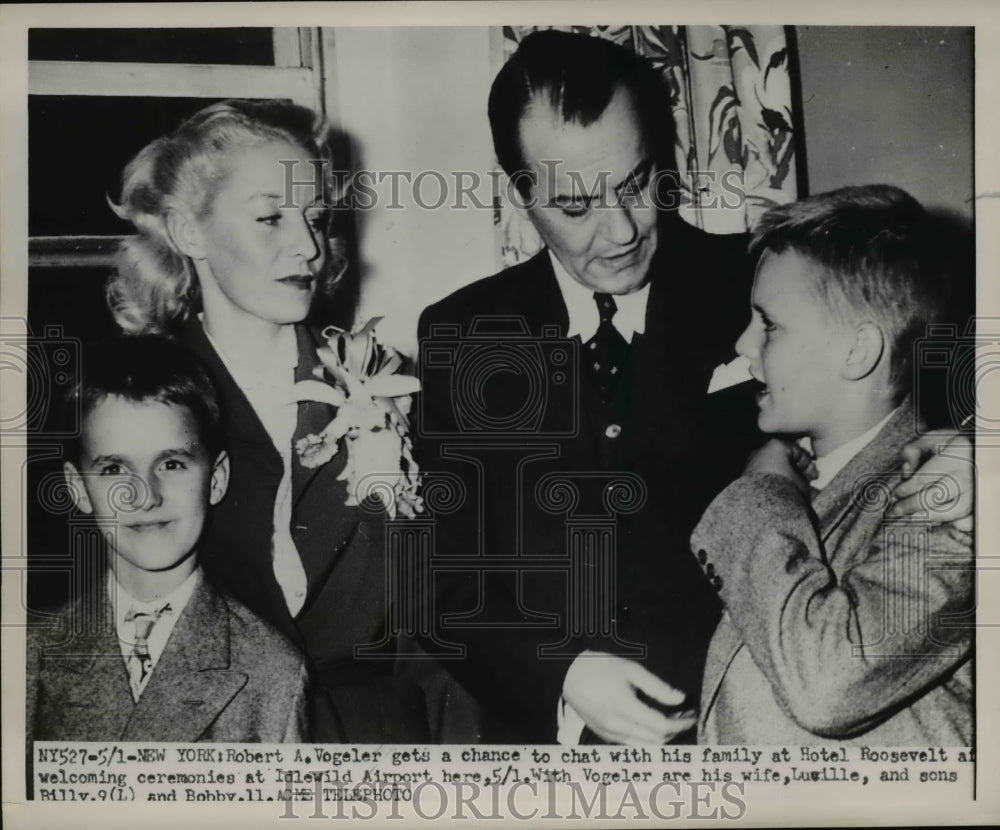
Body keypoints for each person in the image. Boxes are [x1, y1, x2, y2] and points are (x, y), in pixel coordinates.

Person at [416, 30, 974, 744]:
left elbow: (895, 386)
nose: (619, 230)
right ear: (517, 192)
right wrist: (560, 676)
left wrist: (970, 450)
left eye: (636, 183)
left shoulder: (757, 285)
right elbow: (441, 580)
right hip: (544, 758)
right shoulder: (462, 333)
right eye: (577, 206)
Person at [106, 99, 429, 742]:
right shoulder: (135, 407)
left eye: (315, 217)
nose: (307, 246)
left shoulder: (380, 378)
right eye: (270, 218)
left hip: (375, 737)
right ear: (188, 232)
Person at [691, 185, 973, 744]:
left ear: (857, 352)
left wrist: (765, 488)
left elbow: (827, 684)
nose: (744, 344)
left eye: (768, 324)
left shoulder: (948, 495)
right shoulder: (803, 476)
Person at [26, 335, 308, 745]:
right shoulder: (26, 656)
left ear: (216, 479)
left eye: (171, 464)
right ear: (78, 488)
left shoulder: (273, 673)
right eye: (113, 469)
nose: (146, 495)